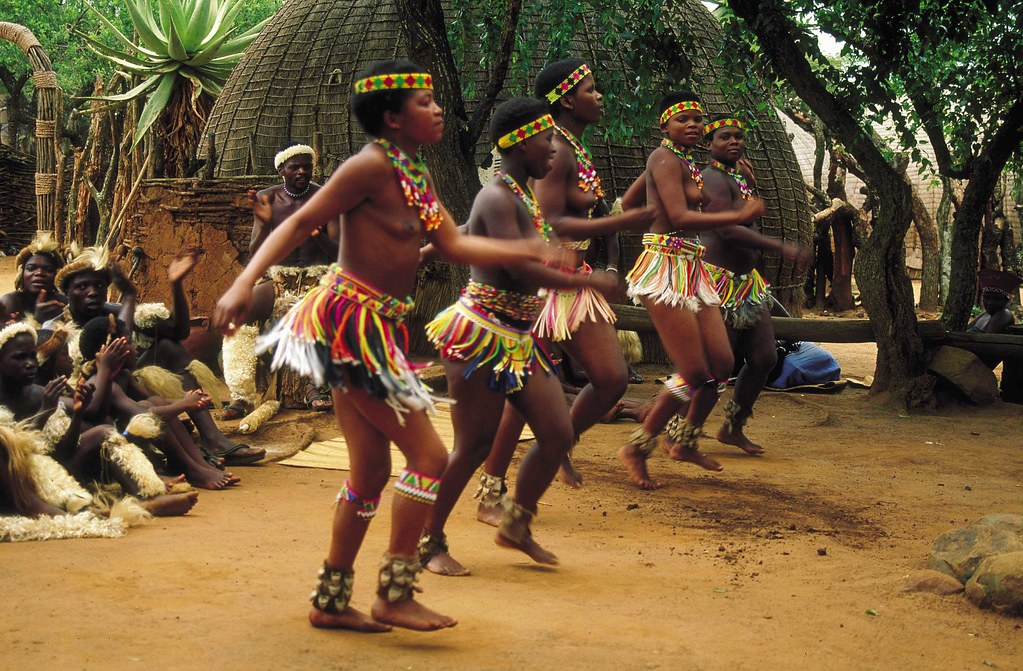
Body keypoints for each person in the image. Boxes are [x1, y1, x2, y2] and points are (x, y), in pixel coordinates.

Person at [212, 60, 554, 633]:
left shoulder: (413, 170)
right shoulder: (369, 165)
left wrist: (530, 252)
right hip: (353, 323)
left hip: (378, 327)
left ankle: (330, 600)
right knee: (429, 458)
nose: (438, 109)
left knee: (370, 472)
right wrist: (244, 281)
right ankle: (394, 592)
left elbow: (452, 244)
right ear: (392, 117)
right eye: (425, 102)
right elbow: (297, 224)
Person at [418, 97, 618, 576]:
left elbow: (467, 229)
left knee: (558, 433)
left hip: (518, 337)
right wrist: (587, 280)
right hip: (481, 335)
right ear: (520, 143)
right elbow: (519, 267)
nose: (553, 148)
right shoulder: (497, 196)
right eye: (546, 139)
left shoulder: (518, 195)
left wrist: (425, 252)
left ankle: (516, 522)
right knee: (474, 444)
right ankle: (428, 540)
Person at [475, 58, 654, 506]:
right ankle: (491, 490)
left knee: (610, 378)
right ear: (568, 99)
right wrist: (618, 225)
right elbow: (551, 220)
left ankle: (555, 447)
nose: (599, 96)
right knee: (522, 393)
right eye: (591, 89)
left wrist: (606, 264)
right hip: (545, 283)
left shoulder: (571, 147)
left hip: (574, 280)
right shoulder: (554, 150)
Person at [616, 92, 765, 490]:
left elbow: (629, 202)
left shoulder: (681, 161)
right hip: (665, 269)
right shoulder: (664, 158)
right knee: (695, 371)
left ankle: (684, 441)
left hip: (693, 267)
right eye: (683, 119)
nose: (694, 125)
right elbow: (680, 215)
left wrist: (652, 219)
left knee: (721, 363)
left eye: (698, 119)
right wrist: (740, 213)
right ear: (664, 126)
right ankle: (638, 446)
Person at [45, 246, 265, 466]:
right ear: (67, 292)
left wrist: (176, 284)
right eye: (82, 287)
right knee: (134, 393)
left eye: (99, 286)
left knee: (169, 347)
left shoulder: (114, 311)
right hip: (93, 399)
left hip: (127, 382)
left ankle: (213, 438)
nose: (92, 292)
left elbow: (179, 332)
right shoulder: (54, 329)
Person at [0, 320, 198, 514]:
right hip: (29, 480)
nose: (30, 363)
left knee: (104, 432)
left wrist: (77, 414)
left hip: (63, 465)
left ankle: (145, 495)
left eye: (32, 356)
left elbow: (66, 448)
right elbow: (17, 456)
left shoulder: (38, 392)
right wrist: (45, 410)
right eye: (19, 358)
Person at [699, 116, 811, 454]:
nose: (734, 141)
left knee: (764, 357)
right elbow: (727, 230)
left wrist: (749, 185)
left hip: (748, 285)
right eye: (724, 137)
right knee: (718, 364)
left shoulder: (738, 178)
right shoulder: (712, 178)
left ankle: (733, 427)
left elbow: (749, 224)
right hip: (719, 284)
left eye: (738, 136)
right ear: (709, 144)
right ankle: (681, 430)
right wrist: (781, 247)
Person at [221, 142, 341, 419]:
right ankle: (242, 394)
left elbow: (339, 251)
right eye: (295, 167)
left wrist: (317, 235)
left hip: (317, 280)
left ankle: (314, 386)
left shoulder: (326, 198)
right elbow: (256, 251)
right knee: (239, 315)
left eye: (307, 167)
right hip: (279, 279)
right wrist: (265, 223)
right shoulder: (268, 199)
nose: (302, 172)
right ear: (281, 170)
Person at [0, 231, 67, 325]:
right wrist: (37, 320)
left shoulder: (63, 304)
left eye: (48, 269)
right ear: (21, 274)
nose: (39, 273)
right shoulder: (9, 303)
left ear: (56, 276)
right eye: (31, 268)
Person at [967, 268, 1020, 368]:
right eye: (987, 297)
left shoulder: (1003, 315)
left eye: (996, 299)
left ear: (1006, 301)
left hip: (974, 367)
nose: (990, 302)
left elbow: (986, 347)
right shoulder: (986, 314)